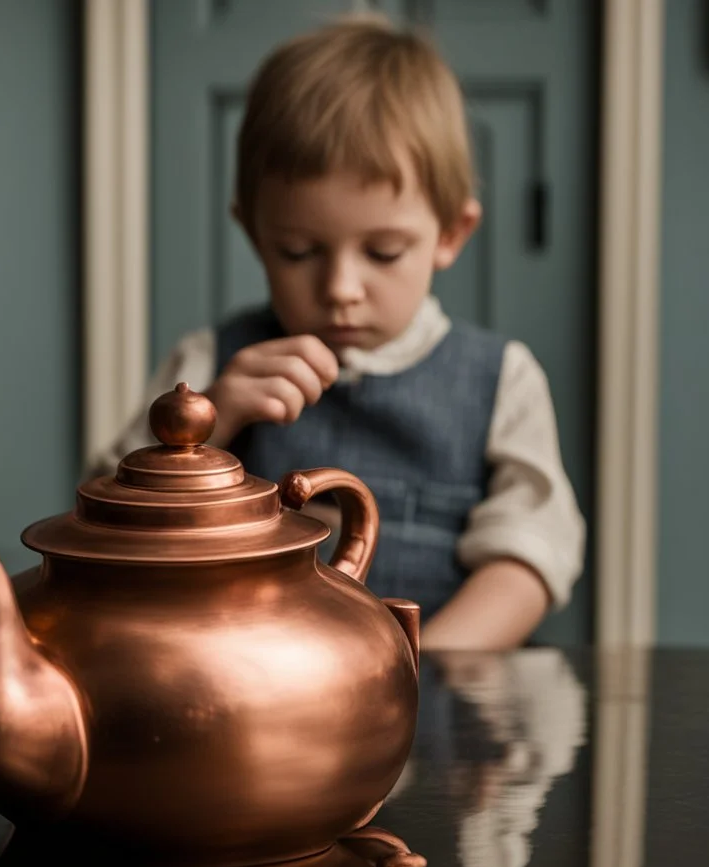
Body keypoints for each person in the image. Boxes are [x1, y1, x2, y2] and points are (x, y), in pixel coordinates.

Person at [86, 15, 584, 650]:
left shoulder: (502, 380)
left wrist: (415, 668)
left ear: (451, 234)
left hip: (438, 704)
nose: (341, 288)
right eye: (297, 251)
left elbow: (531, 554)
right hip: (248, 698)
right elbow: (102, 521)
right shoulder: (210, 365)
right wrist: (212, 423)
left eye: (382, 253)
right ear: (253, 233)